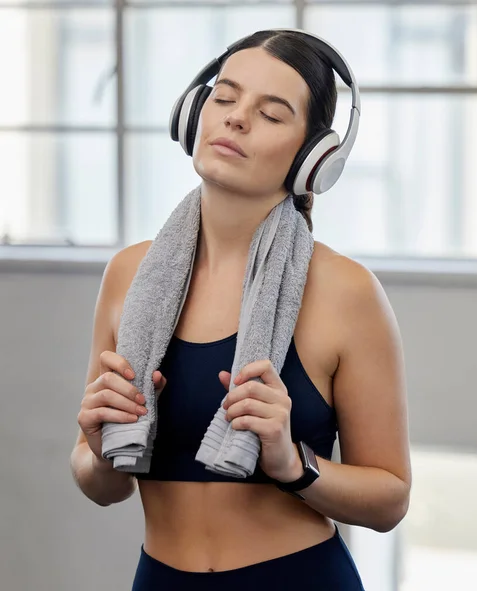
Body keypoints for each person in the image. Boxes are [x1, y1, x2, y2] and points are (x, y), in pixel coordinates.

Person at [70, 29, 411, 590]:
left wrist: (294, 465)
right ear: (194, 115)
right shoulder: (129, 276)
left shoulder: (347, 292)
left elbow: (390, 499)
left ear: (312, 159)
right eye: (224, 98)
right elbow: (98, 482)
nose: (235, 119)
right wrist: (100, 446)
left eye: (271, 114)